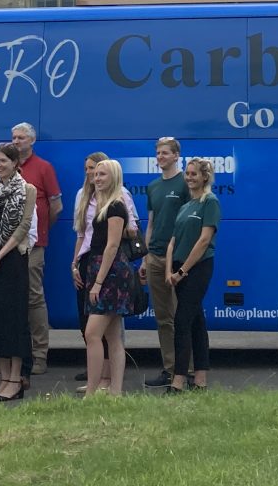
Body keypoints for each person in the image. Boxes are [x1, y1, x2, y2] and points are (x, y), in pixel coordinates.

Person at [0, 143, 38, 402]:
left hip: (12, 260)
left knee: (12, 321)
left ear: (15, 163)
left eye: (4, 161)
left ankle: (15, 380)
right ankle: (2, 379)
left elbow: (23, 225)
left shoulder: (27, 190)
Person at [70, 149, 137, 388]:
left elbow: (111, 246)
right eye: (95, 174)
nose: (96, 178)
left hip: (110, 271)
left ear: (114, 177)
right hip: (98, 267)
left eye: (102, 174)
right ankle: (114, 391)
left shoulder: (116, 205)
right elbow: (85, 236)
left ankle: (93, 388)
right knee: (112, 336)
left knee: (92, 333)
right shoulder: (96, 202)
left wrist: (98, 282)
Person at [10, 122, 62, 382]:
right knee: (9, 298)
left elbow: (56, 207)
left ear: (32, 141)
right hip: (6, 246)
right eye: (13, 138)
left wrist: (39, 230)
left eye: (21, 138)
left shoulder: (43, 168)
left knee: (33, 297)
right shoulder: (7, 167)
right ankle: (10, 356)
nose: (16, 142)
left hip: (33, 245)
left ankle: (39, 354)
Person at [165, 157, 221, 393]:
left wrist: (181, 271)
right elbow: (173, 241)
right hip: (177, 269)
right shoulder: (186, 206)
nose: (189, 177)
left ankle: (178, 381)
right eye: (187, 173)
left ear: (204, 177)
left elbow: (204, 240)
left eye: (193, 174)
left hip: (197, 268)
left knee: (182, 321)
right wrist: (169, 270)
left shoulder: (210, 202)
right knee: (197, 322)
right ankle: (200, 380)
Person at [142, 136, 186, 388]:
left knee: (182, 314)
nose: (160, 157)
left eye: (165, 153)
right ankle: (170, 369)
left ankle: (186, 368)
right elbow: (151, 222)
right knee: (163, 317)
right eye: (158, 153)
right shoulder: (153, 186)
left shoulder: (185, 183)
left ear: (176, 156)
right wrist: (146, 257)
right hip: (156, 257)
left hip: (178, 258)